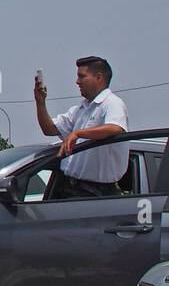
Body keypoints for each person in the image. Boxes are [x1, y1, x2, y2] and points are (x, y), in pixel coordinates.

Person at [35, 56, 129, 198]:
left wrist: (78, 133)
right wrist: (40, 102)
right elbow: (49, 129)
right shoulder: (81, 108)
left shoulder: (112, 103)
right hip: (67, 187)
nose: (77, 81)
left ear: (98, 77)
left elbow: (115, 128)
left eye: (82, 76)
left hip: (94, 192)